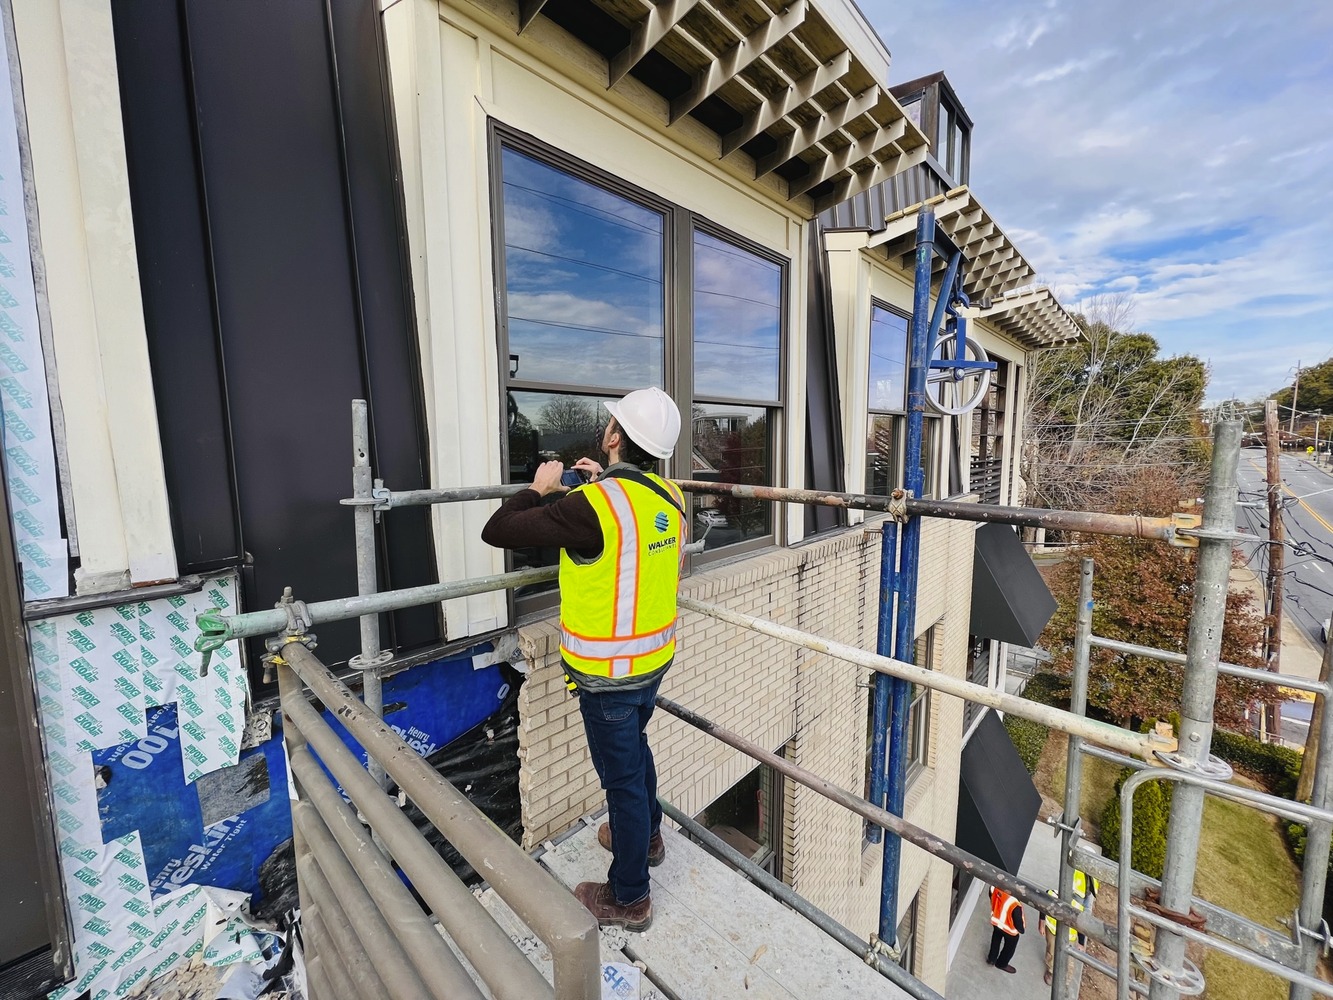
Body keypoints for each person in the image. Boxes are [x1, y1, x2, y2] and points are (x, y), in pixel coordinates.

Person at [482, 387, 686, 933]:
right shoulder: (669, 496)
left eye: (611, 423)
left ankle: (630, 896)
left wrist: (539, 488)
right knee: (636, 756)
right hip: (652, 660)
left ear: (615, 437)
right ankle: (648, 837)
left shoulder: (591, 507)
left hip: (609, 676)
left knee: (620, 781)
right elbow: (629, 530)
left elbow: (497, 530)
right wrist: (601, 481)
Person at [985, 886, 1024, 973]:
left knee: (995, 940)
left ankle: (991, 959)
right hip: (1009, 930)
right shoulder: (1014, 902)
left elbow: (991, 897)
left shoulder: (993, 887)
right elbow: (1018, 922)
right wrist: (1021, 930)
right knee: (1009, 948)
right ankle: (1001, 964)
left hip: (996, 922)